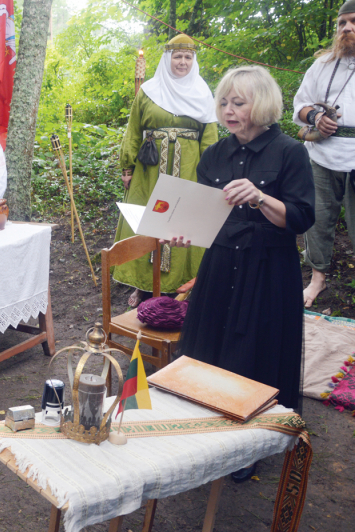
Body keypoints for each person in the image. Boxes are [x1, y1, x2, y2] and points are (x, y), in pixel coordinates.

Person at [176, 67, 314, 447]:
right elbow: (203, 214)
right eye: (223, 102)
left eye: (238, 102)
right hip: (220, 264)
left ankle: (251, 442)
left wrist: (260, 196)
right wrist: (184, 232)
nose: (228, 110)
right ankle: (206, 427)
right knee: (211, 346)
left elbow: (301, 219)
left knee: (257, 349)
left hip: (268, 268)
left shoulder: (291, 152)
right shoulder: (214, 154)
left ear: (263, 104)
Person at [114, 34, 219, 308]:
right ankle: (145, 286)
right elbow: (134, 129)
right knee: (148, 219)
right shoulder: (148, 90)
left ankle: (181, 285)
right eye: (177, 56)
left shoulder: (202, 92)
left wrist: (210, 173)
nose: (182, 62)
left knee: (183, 223)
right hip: (150, 171)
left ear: (193, 61)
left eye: (187, 57)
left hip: (188, 169)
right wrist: (127, 167)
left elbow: (209, 136)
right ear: (167, 58)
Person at [293, 0, 355, 308]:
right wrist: (316, 118)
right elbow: (300, 105)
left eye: (353, 21)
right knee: (317, 219)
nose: (347, 28)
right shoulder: (321, 65)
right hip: (322, 154)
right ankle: (317, 279)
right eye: (342, 23)